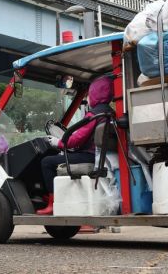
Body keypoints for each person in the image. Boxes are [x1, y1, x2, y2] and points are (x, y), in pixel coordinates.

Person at [36, 75, 114, 215]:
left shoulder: (93, 115)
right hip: (98, 156)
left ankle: (52, 203)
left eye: (89, 94)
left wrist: (58, 142)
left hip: (88, 156)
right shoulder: (109, 112)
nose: (88, 98)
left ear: (95, 94)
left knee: (46, 162)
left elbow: (76, 140)